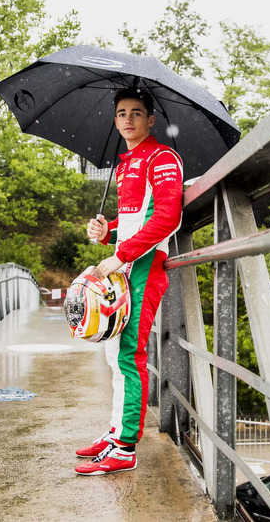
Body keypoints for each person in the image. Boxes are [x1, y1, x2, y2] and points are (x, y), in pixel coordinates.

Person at [74, 87, 183, 475]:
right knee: (113, 353)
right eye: (122, 113)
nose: (129, 119)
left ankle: (125, 447)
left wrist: (120, 254)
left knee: (128, 355)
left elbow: (166, 217)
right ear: (115, 119)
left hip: (145, 265)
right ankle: (116, 429)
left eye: (137, 113)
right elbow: (134, 220)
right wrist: (106, 232)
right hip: (126, 264)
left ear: (151, 120)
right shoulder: (125, 163)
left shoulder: (162, 157)